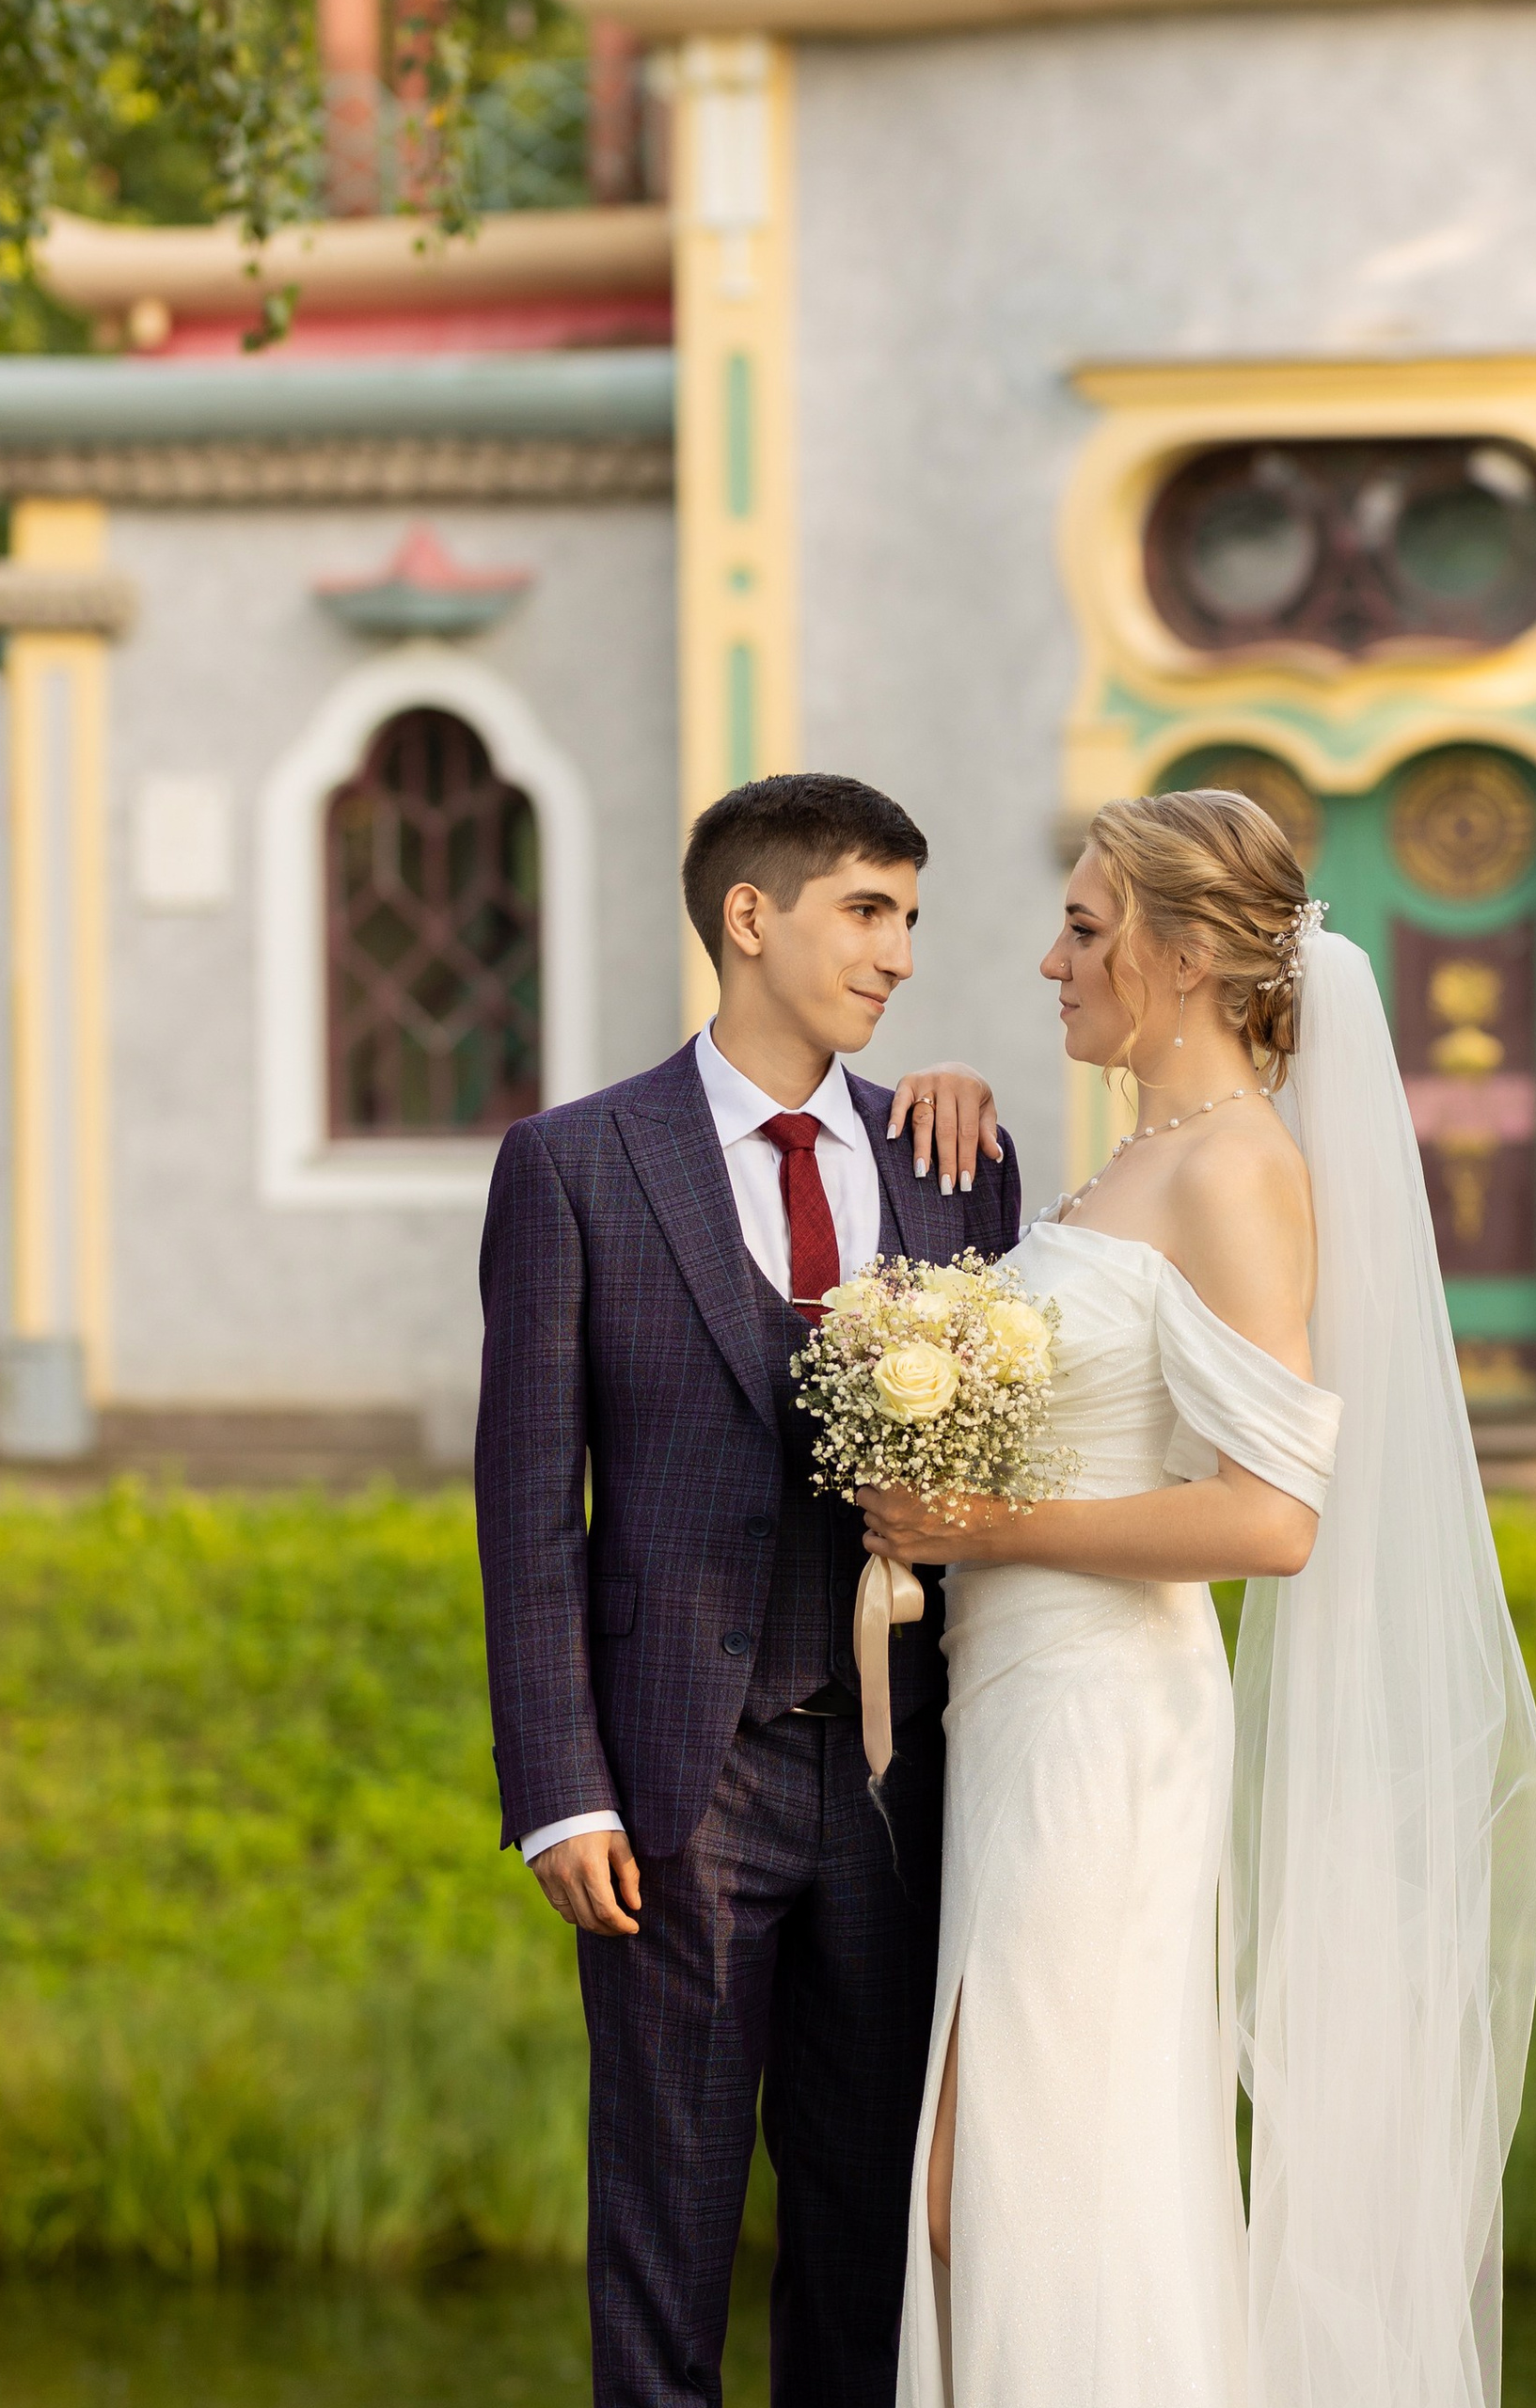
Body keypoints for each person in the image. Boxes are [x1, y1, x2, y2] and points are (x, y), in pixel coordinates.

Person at [861, 788, 1536, 2408]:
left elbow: (1273, 1516)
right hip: (1020, 1712)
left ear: (1181, 955)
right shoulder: (1138, 1159)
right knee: (1017, 2182)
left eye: (1088, 928)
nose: (1051, 959)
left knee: (1016, 2182)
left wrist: (993, 1522)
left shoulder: (1240, 1168)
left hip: (1110, 1730)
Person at [474, 771, 1018, 2408]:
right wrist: (561, 1796)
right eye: (869, 911)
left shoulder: (949, 1167)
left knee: (864, 2250)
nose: (902, 955)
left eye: (913, 918)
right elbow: (524, 1508)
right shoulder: (573, 1164)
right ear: (751, 917)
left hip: (896, 1776)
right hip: (671, 1784)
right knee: (665, 2232)